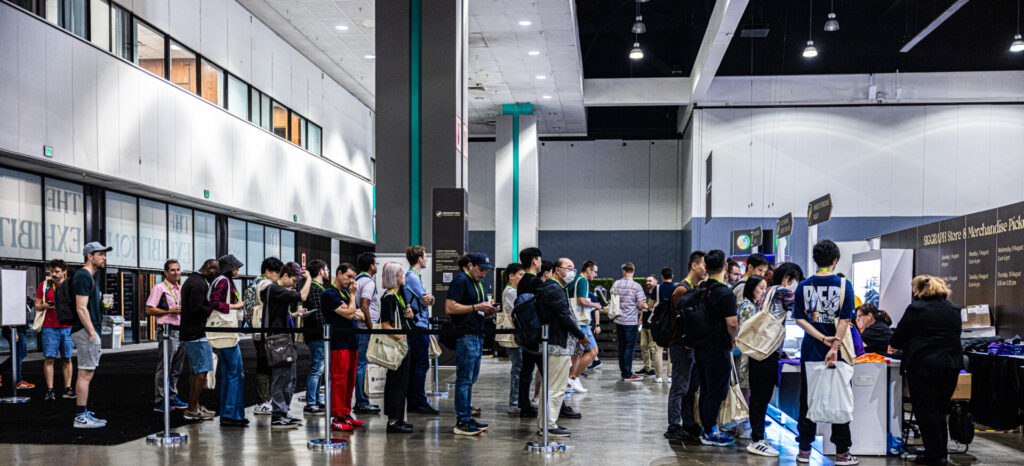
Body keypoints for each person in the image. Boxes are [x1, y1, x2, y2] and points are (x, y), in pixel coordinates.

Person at [793, 240, 858, 465]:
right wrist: (834, 346)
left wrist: (820, 338)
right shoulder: (843, 284)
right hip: (837, 354)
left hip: (810, 351)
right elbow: (845, 319)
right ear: (835, 260)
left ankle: (803, 451)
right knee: (839, 398)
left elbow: (799, 318)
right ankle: (842, 453)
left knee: (808, 400)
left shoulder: (803, 286)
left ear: (815, 260)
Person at [888, 276, 964, 466]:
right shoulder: (954, 310)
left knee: (926, 411)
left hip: (924, 366)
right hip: (951, 366)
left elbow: (898, 337)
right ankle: (939, 453)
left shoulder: (917, 309)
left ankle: (935, 456)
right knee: (940, 411)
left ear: (919, 289)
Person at [746, 262, 803, 457]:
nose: (796, 285)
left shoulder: (769, 291)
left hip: (758, 350)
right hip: (768, 352)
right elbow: (800, 313)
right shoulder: (783, 292)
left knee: (758, 396)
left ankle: (757, 436)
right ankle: (757, 439)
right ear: (788, 278)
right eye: (796, 281)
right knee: (762, 396)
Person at [446, 252, 499, 436]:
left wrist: (489, 311)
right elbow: (450, 307)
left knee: (471, 379)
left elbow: (477, 309)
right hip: (466, 335)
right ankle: (462, 420)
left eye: (486, 271)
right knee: (464, 379)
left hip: (478, 335)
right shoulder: (460, 281)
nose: (484, 274)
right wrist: (476, 307)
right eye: (481, 270)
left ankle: (467, 416)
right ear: (471, 266)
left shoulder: (479, 283)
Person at [690, 250, 740, 447]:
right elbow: (733, 323)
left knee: (706, 389)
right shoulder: (725, 293)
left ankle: (706, 427)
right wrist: (733, 339)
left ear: (706, 268)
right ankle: (710, 430)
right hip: (719, 348)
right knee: (716, 391)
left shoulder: (702, 288)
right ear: (725, 267)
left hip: (701, 347)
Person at [536, 258, 588, 438]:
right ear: (557, 270)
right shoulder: (554, 289)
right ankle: (549, 424)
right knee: (556, 388)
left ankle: (545, 423)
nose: (572, 272)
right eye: (569, 268)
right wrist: (581, 336)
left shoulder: (551, 288)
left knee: (549, 387)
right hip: (557, 344)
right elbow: (564, 317)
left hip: (553, 343)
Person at [263, 262, 312, 429]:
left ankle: (283, 412)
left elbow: (279, 313)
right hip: (278, 340)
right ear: (285, 275)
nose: (294, 284)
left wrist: (295, 314)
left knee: (289, 378)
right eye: (294, 280)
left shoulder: (278, 292)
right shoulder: (274, 289)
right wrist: (309, 279)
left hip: (284, 338)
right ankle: (277, 415)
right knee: (280, 378)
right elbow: (303, 296)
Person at [665, 251, 706, 442]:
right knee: (679, 387)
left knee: (689, 388)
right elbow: (678, 323)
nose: (706, 269)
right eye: (704, 265)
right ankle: (673, 426)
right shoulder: (681, 290)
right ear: (694, 265)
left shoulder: (694, 288)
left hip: (690, 346)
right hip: (681, 346)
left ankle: (688, 423)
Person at [70, 242, 112, 428]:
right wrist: (92, 332)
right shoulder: (83, 276)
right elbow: (80, 308)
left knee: (88, 372)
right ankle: (80, 417)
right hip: (86, 331)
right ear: (90, 256)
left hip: (89, 329)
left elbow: (86, 306)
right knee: (85, 373)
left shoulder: (89, 278)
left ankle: (84, 412)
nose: (104, 258)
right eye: (101, 254)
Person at [323, 263, 365, 432]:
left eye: (353, 278)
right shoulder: (329, 294)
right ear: (338, 273)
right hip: (338, 343)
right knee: (339, 380)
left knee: (350, 381)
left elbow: (360, 314)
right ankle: (337, 417)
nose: (351, 281)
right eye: (348, 277)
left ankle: (346, 413)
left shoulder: (346, 293)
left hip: (352, 341)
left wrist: (351, 308)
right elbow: (349, 314)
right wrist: (352, 302)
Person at [208, 254, 248, 427]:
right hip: (226, 332)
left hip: (223, 333)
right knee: (234, 373)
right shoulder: (223, 281)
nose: (238, 269)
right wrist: (236, 306)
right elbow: (215, 303)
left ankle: (229, 413)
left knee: (229, 374)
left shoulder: (219, 281)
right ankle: (232, 414)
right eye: (235, 267)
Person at [145, 259, 189, 412]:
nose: (176, 272)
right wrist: (170, 311)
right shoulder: (160, 288)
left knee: (177, 367)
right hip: (167, 331)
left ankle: (172, 396)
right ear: (165, 272)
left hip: (181, 330)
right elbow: (149, 310)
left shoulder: (181, 289)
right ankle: (160, 400)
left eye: (178, 269)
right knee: (164, 366)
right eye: (172, 270)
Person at [180, 259, 219, 421]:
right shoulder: (198, 284)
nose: (215, 276)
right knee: (201, 372)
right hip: (197, 334)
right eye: (215, 273)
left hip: (193, 333)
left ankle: (194, 405)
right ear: (209, 269)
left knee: (197, 371)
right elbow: (196, 308)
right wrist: (215, 310)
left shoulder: (193, 281)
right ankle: (192, 408)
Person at [379, 262, 416, 433]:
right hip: (397, 346)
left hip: (403, 345)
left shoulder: (398, 296)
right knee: (395, 383)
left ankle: (399, 418)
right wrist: (400, 337)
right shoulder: (388, 298)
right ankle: (393, 421)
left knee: (402, 383)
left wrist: (410, 315)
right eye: (401, 274)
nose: (404, 277)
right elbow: (385, 325)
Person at [403, 245, 439, 415]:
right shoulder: (412, 277)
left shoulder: (416, 276)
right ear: (419, 259)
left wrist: (430, 298)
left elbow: (429, 299)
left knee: (420, 365)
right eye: (425, 256)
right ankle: (418, 401)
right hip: (418, 327)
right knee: (421, 365)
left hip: (421, 325)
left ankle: (415, 400)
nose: (426, 259)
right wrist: (430, 298)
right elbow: (426, 299)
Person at [246, 257, 282, 416]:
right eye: (276, 273)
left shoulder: (252, 285)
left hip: (257, 330)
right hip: (264, 330)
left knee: (265, 364)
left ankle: (265, 400)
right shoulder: (264, 286)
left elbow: (247, 311)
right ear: (267, 272)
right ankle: (263, 401)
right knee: (265, 365)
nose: (277, 277)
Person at [36, 259, 74, 400]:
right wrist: (46, 306)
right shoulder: (45, 285)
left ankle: (68, 389)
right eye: (52, 272)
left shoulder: (70, 286)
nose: (54, 274)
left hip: (67, 327)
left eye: (57, 271)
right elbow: (37, 305)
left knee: (67, 358)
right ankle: (50, 390)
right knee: (49, 359)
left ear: (64, 272)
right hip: (49, 327)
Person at [516, 247, 544, 418]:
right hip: (537, 333)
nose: (541, 263)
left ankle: (524, 404)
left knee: (526, 369)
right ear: (534, 260)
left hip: (526, 332)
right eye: (540, 259)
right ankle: (557, 405)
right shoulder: (536, 282)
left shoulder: (522, 282)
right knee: (548, 371)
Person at [353, 252, 380, 414]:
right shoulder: (368, 283)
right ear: (371, 265)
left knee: (360, 364)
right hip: (364, 329)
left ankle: (361, 400)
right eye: (375, 263)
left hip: (358, 328)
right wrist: (371, 327)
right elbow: (364, 305)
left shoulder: (357, 280)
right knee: (362, 364)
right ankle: (362, 401)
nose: (376, 266)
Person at [567, 261, 601, 392]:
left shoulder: (573, 280)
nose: (596, 275)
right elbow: (581, 300)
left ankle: (570, 381)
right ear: (588, 270)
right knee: (593, 351)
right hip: (581, 322)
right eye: (595, 271)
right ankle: (573, 377)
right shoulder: (582, 281)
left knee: (577, 353)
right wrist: (596, 305)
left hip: (574, 321)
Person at [301, 259, 330, 416]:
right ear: (320, 271)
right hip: (318, 334)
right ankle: (311, 401)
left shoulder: (317, 288)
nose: (327, 272)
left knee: (320, 368)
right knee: (317, 368)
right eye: (326, 269)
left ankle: (317, 399)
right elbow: (319, 314)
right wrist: (325, 331)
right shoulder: (316, 289)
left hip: (316, 333)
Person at [611, 262, 648, 381]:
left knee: (621, 346)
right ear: (633, 271)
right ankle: (627, 374)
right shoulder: (636, 286)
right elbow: (641, 304)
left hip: (618, 320)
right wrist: (647, 306)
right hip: (630, 322)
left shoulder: (616, 284)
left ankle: (624, 371)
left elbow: (612, 297)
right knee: (629, 348)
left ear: (623, 271)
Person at [735, 275, 768, 402]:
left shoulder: (744, 303)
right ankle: (745, 418)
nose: (764, 292)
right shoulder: (749, 307)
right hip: (746, 353)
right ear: (752, 288)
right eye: (761, 288)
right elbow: (747, 332)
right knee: (745, 389)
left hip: (743, 351)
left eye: (765, 288)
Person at [501, 262, 525, 414]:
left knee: (519, 367)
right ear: (511, 276)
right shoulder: (511, 292)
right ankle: (514, 402)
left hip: (518, 334)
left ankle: (517, 400)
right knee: (518, 367)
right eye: (520, 275)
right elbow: (515, 311)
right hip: (515, 334)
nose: (523, 278)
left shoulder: (513, 290)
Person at [648, 267, 677, 383]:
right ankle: (670, 376)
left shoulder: (657, 288)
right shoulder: (676, 288)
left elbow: (650, 306)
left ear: (662, 276)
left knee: (658, 349)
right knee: (671, 350)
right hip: (672, 322)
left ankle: (658, 376)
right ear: (672, 276)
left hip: (659, 322)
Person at [638, 274, 660, 377]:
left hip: (653, 325)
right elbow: (643, 308)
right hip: (644, 325)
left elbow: (654, 308)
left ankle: (654, 369)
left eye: (650, 281)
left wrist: (647, 306)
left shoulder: (658, 293)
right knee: (643, 346)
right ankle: (647, 368)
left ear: (656, 282)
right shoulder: (645, 293)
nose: (648, 282)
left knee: (653, 348)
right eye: (647, 281)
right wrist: (640, 320)